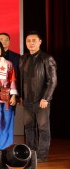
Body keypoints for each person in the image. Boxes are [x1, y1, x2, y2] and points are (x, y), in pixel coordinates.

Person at [19, 31, 57, 161]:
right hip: (27, 100)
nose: (31, 43)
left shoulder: (47, 58)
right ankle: (31, 153)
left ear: (40, 42)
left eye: (34, 40)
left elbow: (52, 80)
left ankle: (42, 155)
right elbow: (21, 79)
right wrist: (21, 96)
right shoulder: (23, 58)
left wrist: (46, 98)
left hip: (42, 100)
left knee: (43, 128)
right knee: (29, 127)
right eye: (28, 41)